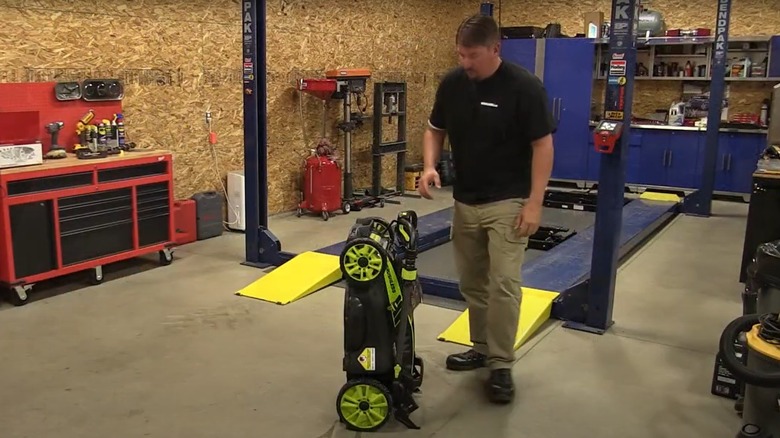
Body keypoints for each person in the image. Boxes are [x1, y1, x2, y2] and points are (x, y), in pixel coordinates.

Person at [418, 14, 556, 404]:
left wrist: (534, 203)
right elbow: (434, 128)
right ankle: (481, 347)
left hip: (508, 202)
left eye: (473, 55)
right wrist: (430, 165)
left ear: (495, 49)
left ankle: (501, 364)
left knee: (505, 284)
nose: (465, 62)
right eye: (461, 54)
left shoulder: (524, 88)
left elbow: (542, 146)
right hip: (466, 201)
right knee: (473, 283)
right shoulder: (452, 83)